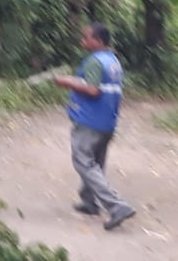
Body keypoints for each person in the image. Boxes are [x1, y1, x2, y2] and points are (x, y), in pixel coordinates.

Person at [52, 21, 135, 230]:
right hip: (107, 121)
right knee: (95, 163)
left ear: (97, 41)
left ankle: (117, 206)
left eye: (86, 37)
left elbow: (92, 90)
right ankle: (90, 202)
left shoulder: (95, 61)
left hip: (90, 120)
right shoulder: (112, 61)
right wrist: (74, 79)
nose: (83, 41)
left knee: (83, 162)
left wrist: (66, 82)